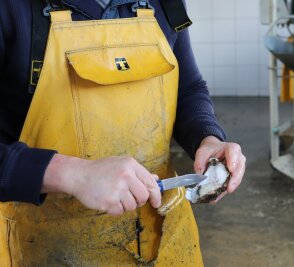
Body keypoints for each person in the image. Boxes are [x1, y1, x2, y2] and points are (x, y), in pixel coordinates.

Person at [0, 0, 246, 266]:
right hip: (46, 247)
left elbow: (187, 88)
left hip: (164, 239)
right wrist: (69, 173)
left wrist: (207, 138)